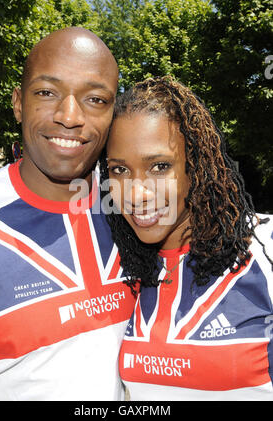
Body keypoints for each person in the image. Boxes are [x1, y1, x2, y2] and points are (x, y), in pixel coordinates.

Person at [0, 27, 136, 401]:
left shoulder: (137, 211)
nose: (69, 116)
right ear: (18, 103)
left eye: (95, 99)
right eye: (47, 92)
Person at [99, 75, 273, 400]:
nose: (135, 194)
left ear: (196, 165)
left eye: (159, 166)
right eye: (120, 170)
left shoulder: (264, 247)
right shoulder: (121, 271)